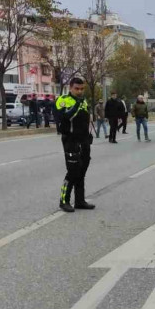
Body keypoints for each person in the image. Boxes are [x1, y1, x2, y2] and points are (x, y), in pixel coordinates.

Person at [56, 78, 95, 213]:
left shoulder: (83, 101)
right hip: (70, 140)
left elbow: (85, 120)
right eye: (77, 88)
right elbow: (64, 118)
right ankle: (64, 201)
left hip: (84, 140)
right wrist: (77, 105)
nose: (79, 91)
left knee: (82, 171)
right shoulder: (63, 100)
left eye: (82, 89)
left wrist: (89, 134)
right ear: (70, 87)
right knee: (73, 171)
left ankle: (80, 200)